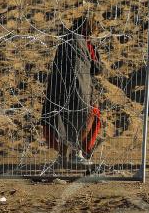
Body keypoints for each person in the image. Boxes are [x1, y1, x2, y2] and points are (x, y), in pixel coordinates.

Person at [41, 14, 103, 167]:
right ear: (86, 28)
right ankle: (75, 153)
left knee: (67, 121)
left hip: (64, 91)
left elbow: (93, 67)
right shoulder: (77, 41)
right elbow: (89, 68)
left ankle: (63, 157)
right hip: (76, 91)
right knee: (86, 117)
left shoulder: (72, 40)